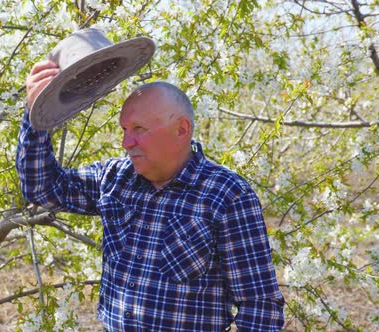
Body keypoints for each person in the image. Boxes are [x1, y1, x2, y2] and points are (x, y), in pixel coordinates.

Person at [16, 59, 285, 331]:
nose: (126, 143)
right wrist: (36, 114)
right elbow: (42, 188)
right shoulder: (115, 178)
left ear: (181, 129)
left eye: (139, 129)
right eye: (124, 130)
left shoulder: (227, 195)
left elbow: (259, 305)